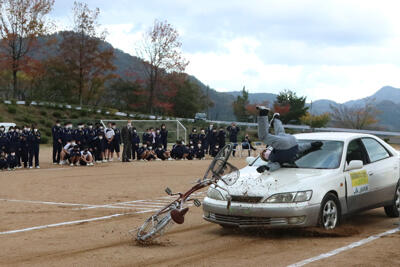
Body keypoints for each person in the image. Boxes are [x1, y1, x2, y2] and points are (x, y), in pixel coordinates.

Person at [256, 106, 321, 172]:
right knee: (272, 135)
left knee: (276, 134)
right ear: (266, 160)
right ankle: (273, 118)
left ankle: (271, 117)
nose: (265, 154)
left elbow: (300, 148)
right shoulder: (273, 160)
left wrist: (312, 145)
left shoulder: (274, 151)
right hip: (291, 141)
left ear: (267, 149)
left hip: (292, 140)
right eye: (264, 156)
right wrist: (311, 145)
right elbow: (300, 148)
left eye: (264, 152)